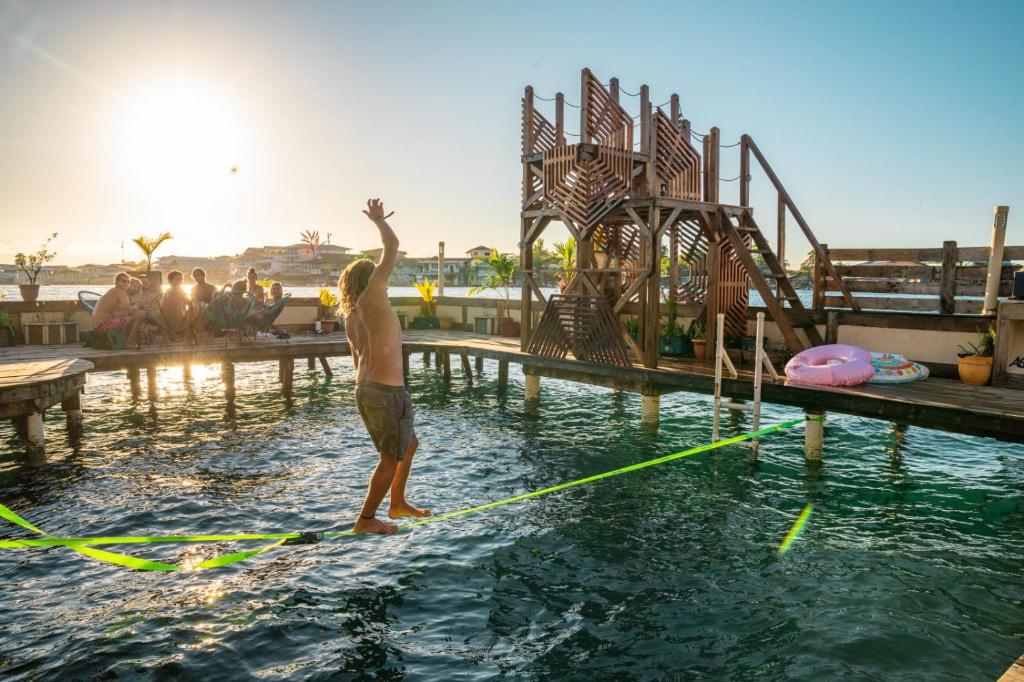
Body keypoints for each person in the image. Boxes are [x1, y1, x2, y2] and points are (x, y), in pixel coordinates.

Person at [341, 198, 430, 535]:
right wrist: (379, 221)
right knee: (390, 458)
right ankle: (365, 520)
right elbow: (391, 246)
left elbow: (356, 360)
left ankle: (397, 503)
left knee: (409, 445)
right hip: (383, 391)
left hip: (376, 390)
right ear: (370, 279)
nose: (387, 280)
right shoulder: (373, 296)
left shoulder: (352, 315)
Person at [92, 272, 145, 347]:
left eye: (128, 282)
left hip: (98, 326)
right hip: (104, 325)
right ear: (116, 281)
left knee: (131, 316)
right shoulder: (119, 291)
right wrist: (137, 305)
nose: (126, 283)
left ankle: (126, 341)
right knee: (140, 314)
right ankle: (129, 342)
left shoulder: (113, 290)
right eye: (123, 281)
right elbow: (130, 311)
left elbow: (117, 312)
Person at [159, 270, 191, 342]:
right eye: (177, 279)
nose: (179, 281)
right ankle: (179, 336)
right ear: (170, 281)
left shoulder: (171, 289)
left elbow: (186, 301)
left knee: (185, 312)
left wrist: (190, 303)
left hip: (168, 314)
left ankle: (174, 335)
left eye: (181, 279)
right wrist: (191, 303)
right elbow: (186, 301)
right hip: (168, 314)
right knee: (189, 315)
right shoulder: (173, 290)